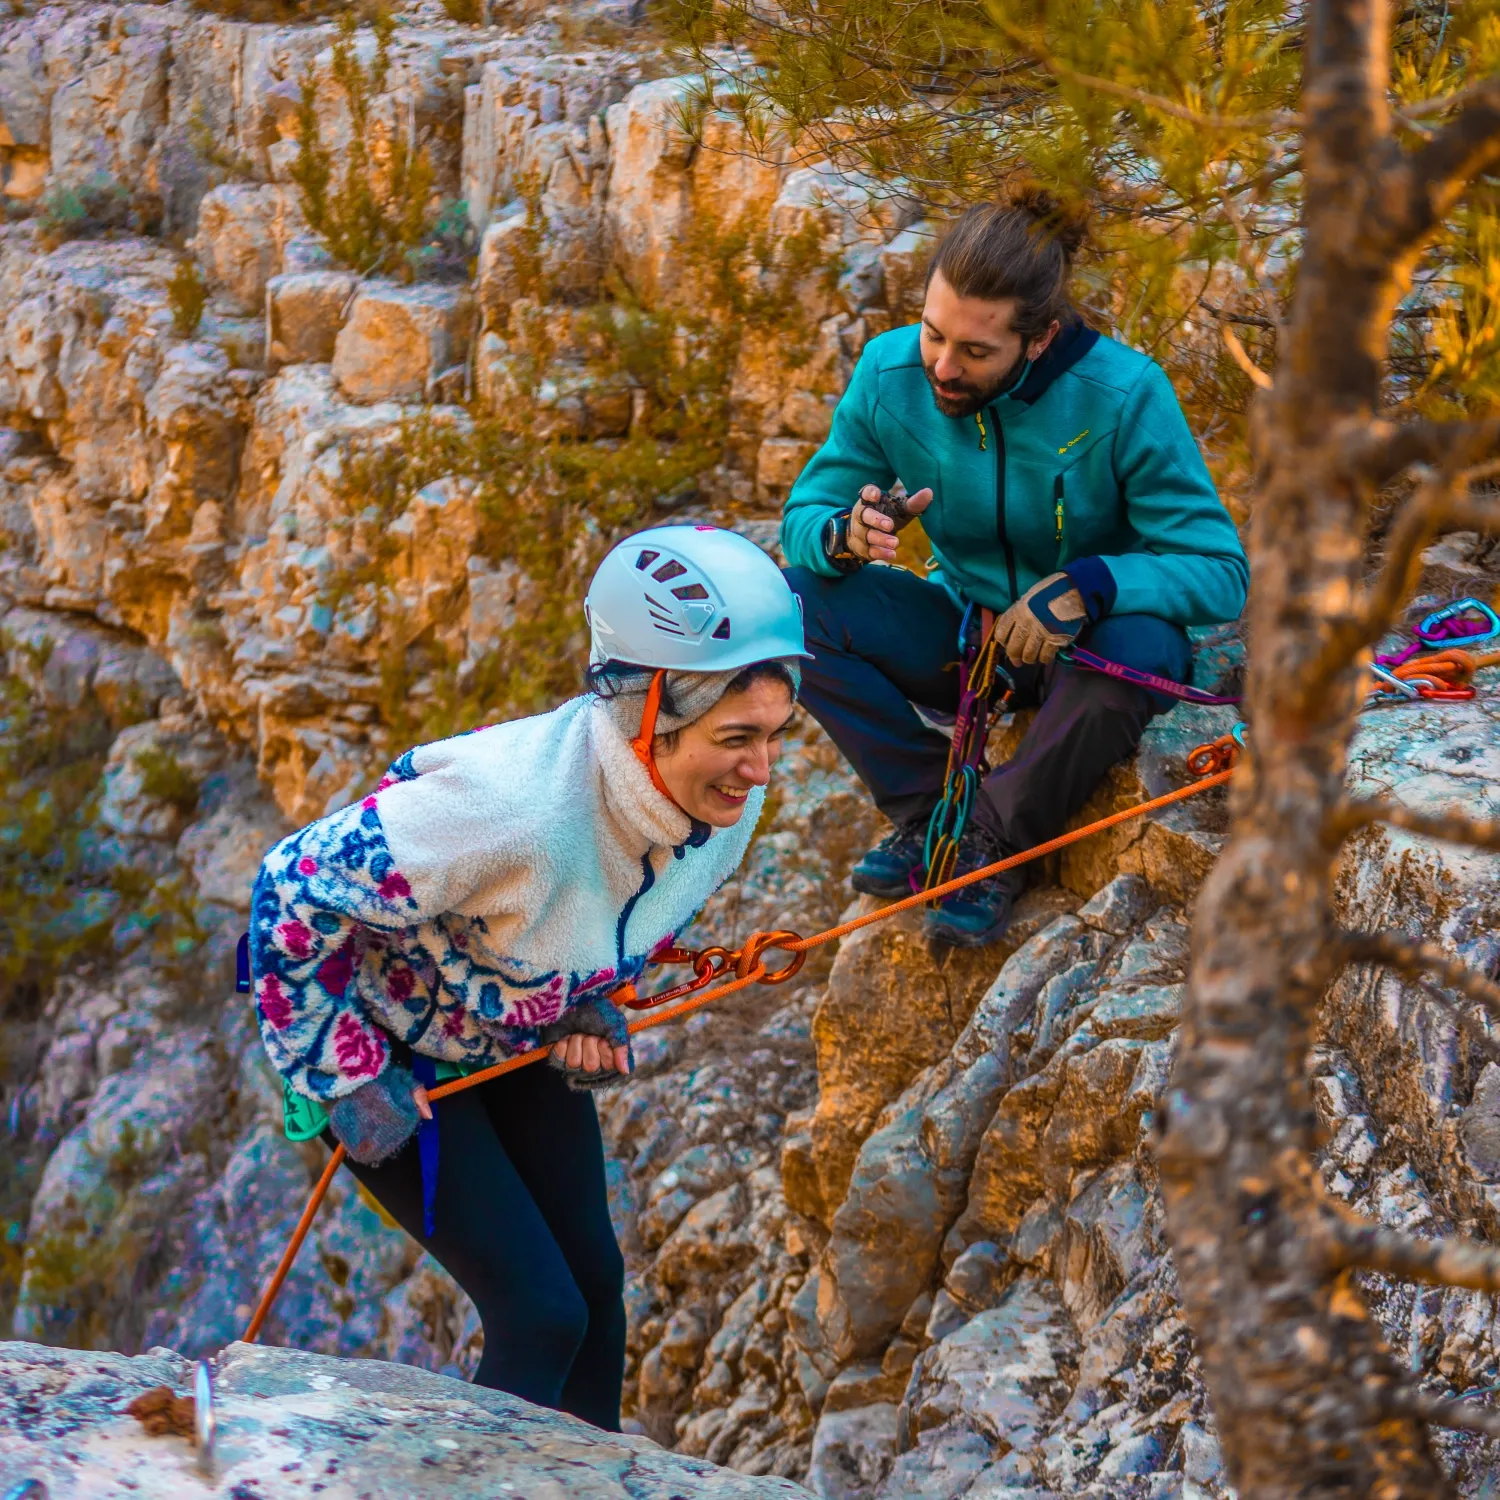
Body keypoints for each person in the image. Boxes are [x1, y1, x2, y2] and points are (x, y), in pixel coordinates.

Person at [247, 524, 809, 1429]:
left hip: (499, 1031)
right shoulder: (510, 810)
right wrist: (344, 1072)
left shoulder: (718, 808)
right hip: (382, 1045)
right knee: (542, 1315)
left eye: (777, 734)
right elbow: (291, 888)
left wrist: (581, 1005)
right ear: (648, 715)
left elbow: (605, 920)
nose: (761, 769)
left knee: (597, 1293)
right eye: (737, 736)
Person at [780, 193, 1248, 947]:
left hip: (1084, 649)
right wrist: (842, 533)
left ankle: (994, 836)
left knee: (1146, 648)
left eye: (974, 351)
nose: (941, 365)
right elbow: (802, 521)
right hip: (970, 635)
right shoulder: (888, 373)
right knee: (790, 605)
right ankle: (930, 810)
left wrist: (1096, 584)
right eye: (934, 334)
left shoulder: (1125, 396)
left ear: (1040, 339)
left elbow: (1220, 570)